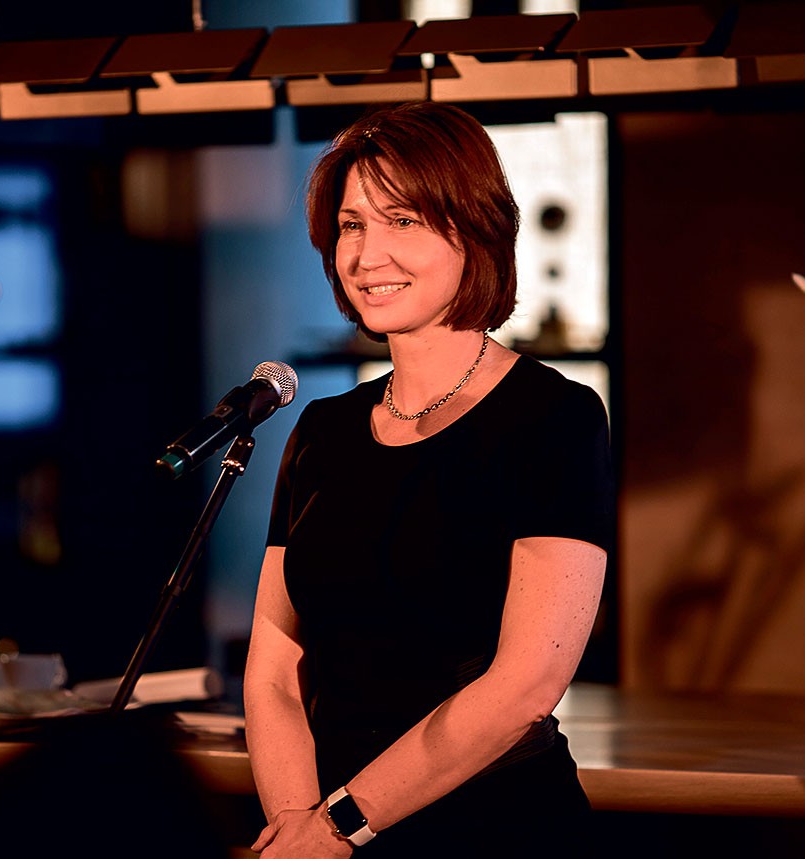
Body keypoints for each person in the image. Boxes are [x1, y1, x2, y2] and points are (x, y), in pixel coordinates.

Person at [243, 101, 614, 857]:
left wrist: (340, 826)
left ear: (474, 229)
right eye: (351, 225)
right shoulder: (323, 430)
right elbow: (275, 669)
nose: (366, 255)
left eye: (403, 221)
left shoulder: (554, 417)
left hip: (496, 829)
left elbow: (525, 685)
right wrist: (295, 826)